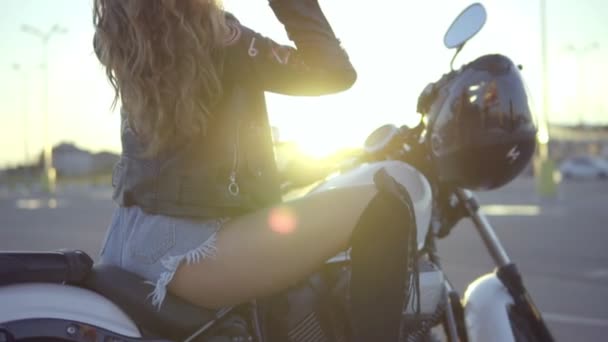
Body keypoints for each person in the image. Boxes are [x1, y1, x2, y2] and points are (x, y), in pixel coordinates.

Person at [94, 0, 416, 340]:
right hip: (188, 250)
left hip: (128, 238)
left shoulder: (121, 34)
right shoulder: (217, 35)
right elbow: (333, 70)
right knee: (384, 206)